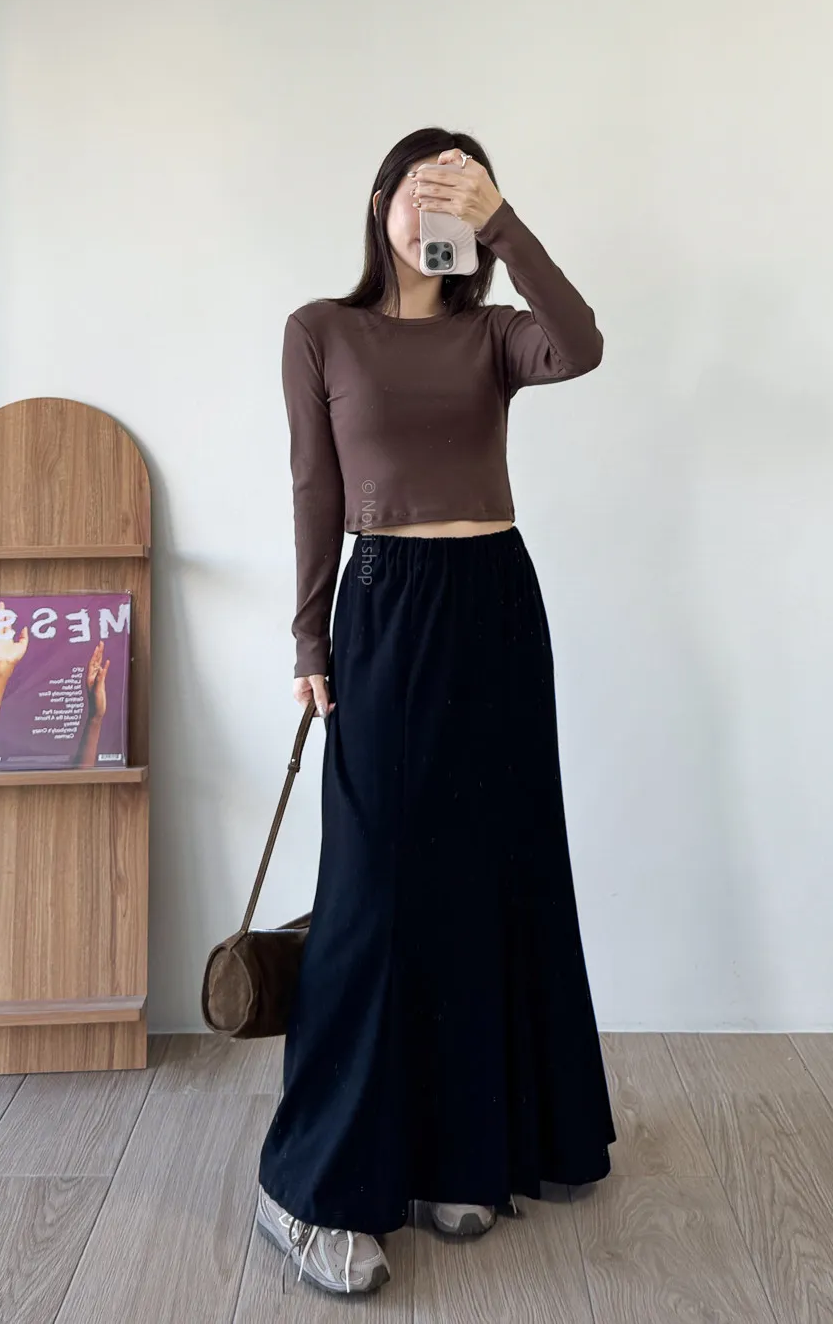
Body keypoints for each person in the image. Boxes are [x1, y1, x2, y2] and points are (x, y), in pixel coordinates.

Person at [256, 127, 617, 1298]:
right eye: (428, 185)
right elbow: (315, 486)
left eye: (465, 188)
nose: (444, 205)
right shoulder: (322, 328)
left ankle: (458, 1153)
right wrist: (310, 636)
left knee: (487, 871)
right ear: (380, 203)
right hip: (385, 603)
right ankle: (306, 1187)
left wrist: (506, 225)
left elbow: (582, 344)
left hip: (496, 602)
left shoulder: (495, 333)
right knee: (369, 894)